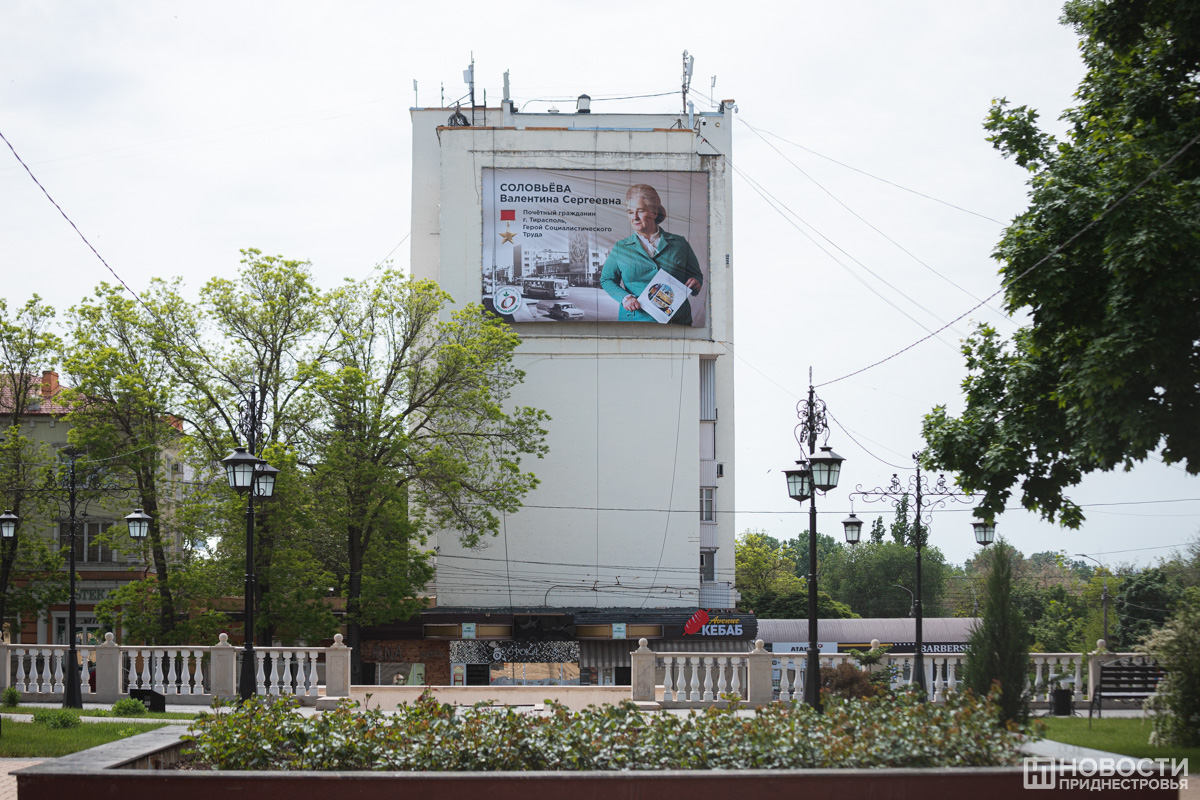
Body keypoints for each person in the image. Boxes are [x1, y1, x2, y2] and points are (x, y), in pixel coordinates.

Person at [600, 184, 703, 324]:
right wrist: (625, 298)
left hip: (677, 321)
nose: (635, 217)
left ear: (654, 213)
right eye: (630, 212)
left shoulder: (679, 243)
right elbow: (607, 280)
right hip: (635, 321)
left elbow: (696, 275)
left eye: (640, 211)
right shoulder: (620, 248)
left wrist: (696, 283)